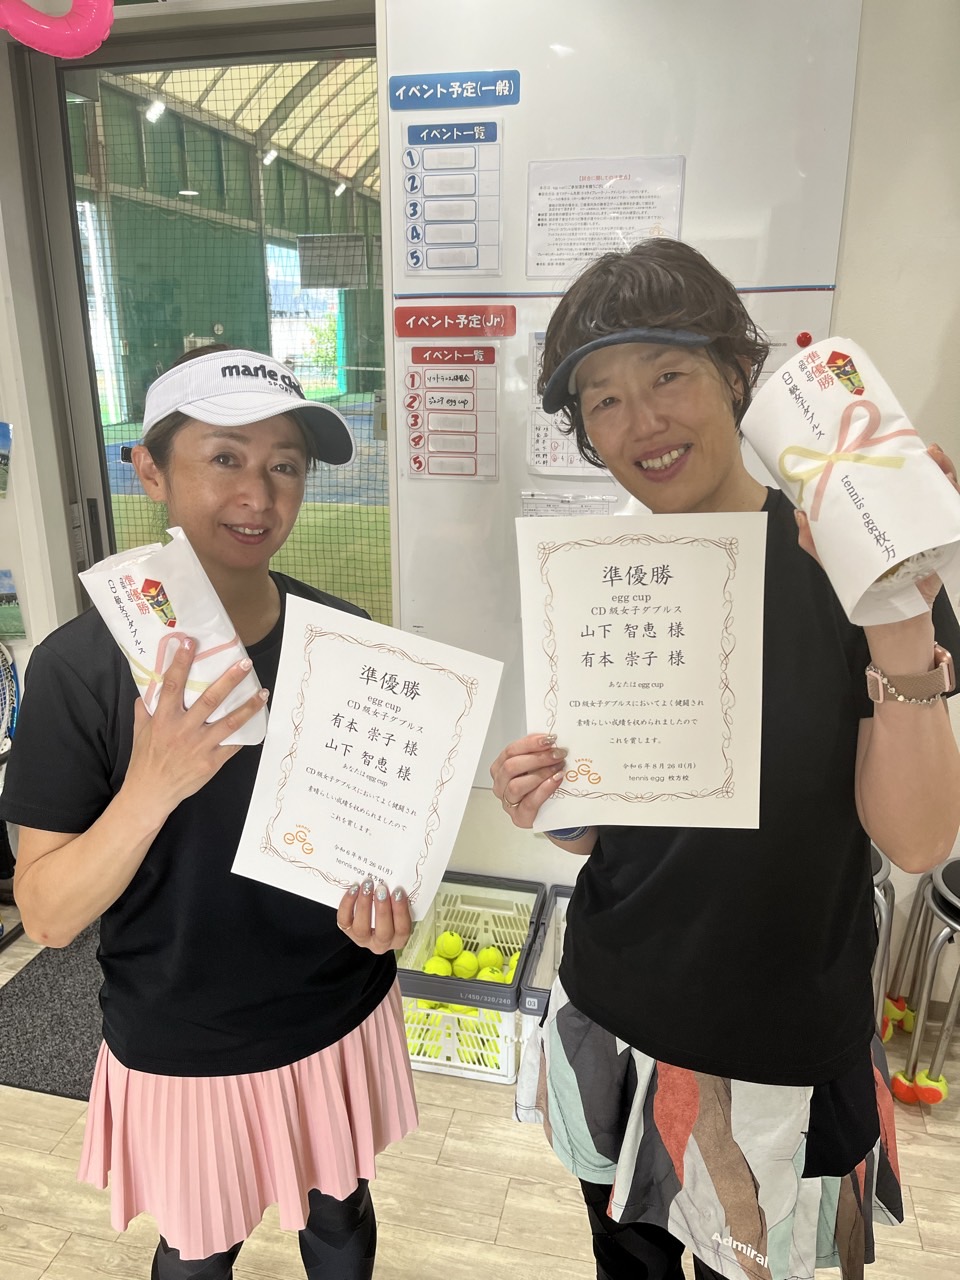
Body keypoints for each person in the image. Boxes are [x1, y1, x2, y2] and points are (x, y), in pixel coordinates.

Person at [490, 239, 960, 1280]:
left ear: (737, 376)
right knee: (628, 1263)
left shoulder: (847, 554)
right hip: (615, 1013)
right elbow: (611, 829)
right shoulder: (599, 575)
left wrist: (895, 620)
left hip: (781, 1041)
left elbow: (920, 838)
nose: (642, 422)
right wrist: (552, 800)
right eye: (605, 401)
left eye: (669, 375)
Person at [0, 345, 418, 1280]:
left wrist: (390, 911)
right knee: (197, 1251)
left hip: (337, 1009)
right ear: (149, 470)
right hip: (183, 1041)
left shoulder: (343, 640)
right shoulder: (79, 669)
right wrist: (153, 785)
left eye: (285, 466)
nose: (259, 497)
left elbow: (373, 845)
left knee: (341, 1218)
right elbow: (49, 914)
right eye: (225, 458)